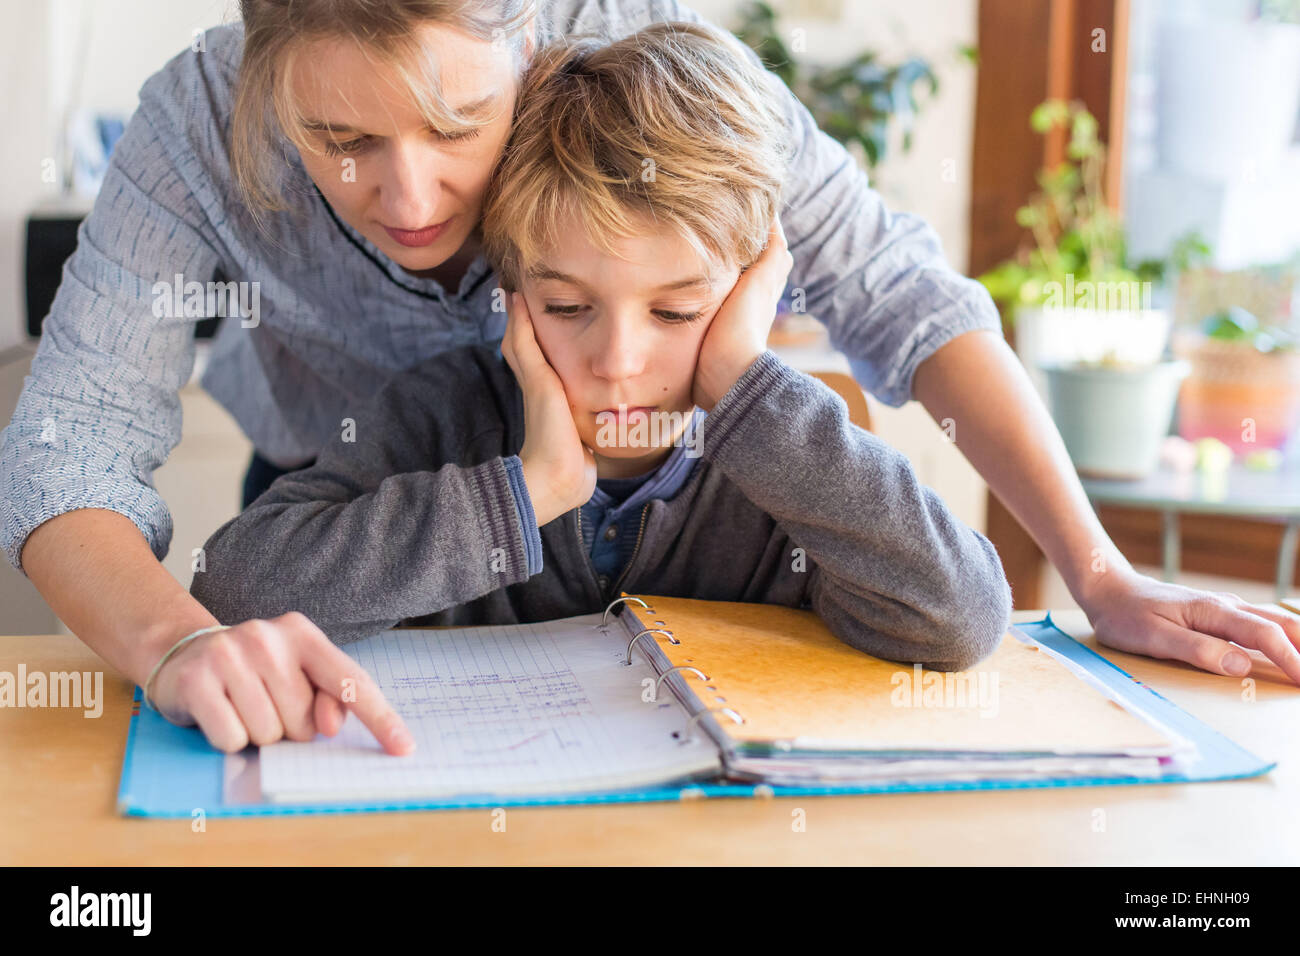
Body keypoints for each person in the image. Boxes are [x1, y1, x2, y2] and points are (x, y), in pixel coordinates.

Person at [5, 1, 1297, 757]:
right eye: (341, 142)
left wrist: (1097, 567)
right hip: (363, 484)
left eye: (459, 130)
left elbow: (904, 301)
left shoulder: (640, 85)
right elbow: (70, 445)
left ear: (532, 50)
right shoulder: (192, 131)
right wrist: (183, 644)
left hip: (689, 505)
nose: (409, 197)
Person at [188, 21, 1013, 679]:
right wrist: (528, 491)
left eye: (679, 310)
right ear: (508, 292)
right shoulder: (442, 418)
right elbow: (229, 591)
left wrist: (744, 390)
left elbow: (960, 618)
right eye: (568, 305)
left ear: (750, 290)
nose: (617, 361)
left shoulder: (783, 463)